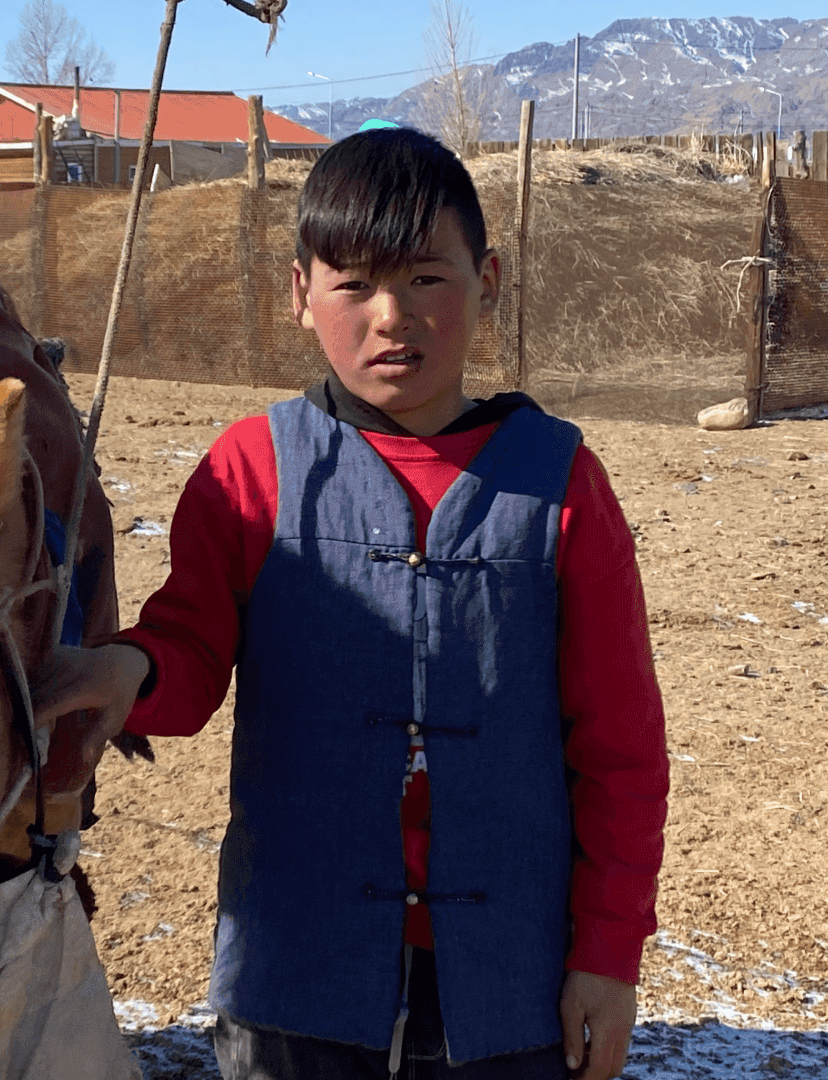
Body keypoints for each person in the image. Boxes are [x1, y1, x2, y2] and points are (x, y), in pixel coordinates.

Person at [34, 127, 669, 1080]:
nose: (391, 317)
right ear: (300, 294)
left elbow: (620, 745)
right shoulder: (252, 469)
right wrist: (132, 667)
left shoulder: (562, 483)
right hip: (296, 976)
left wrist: (608, 959)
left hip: (510, 987)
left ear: (486, 279)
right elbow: (193, 648)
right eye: (354, 283)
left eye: (425, 278)